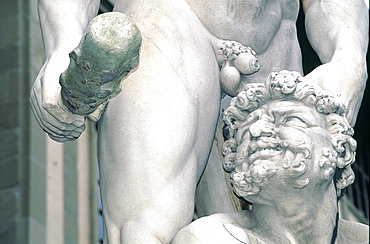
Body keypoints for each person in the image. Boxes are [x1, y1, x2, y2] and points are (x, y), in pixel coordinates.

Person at [30, 0, 368, 243]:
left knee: (293, 231)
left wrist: (349, 53)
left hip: (271, 50)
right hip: (166, 21)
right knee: (148, 232)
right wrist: (63, 42)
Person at [172, 71, 369, 244]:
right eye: (245, 131)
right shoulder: (212, 237)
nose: (257, 130)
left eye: (290, 119)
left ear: (341, 150)